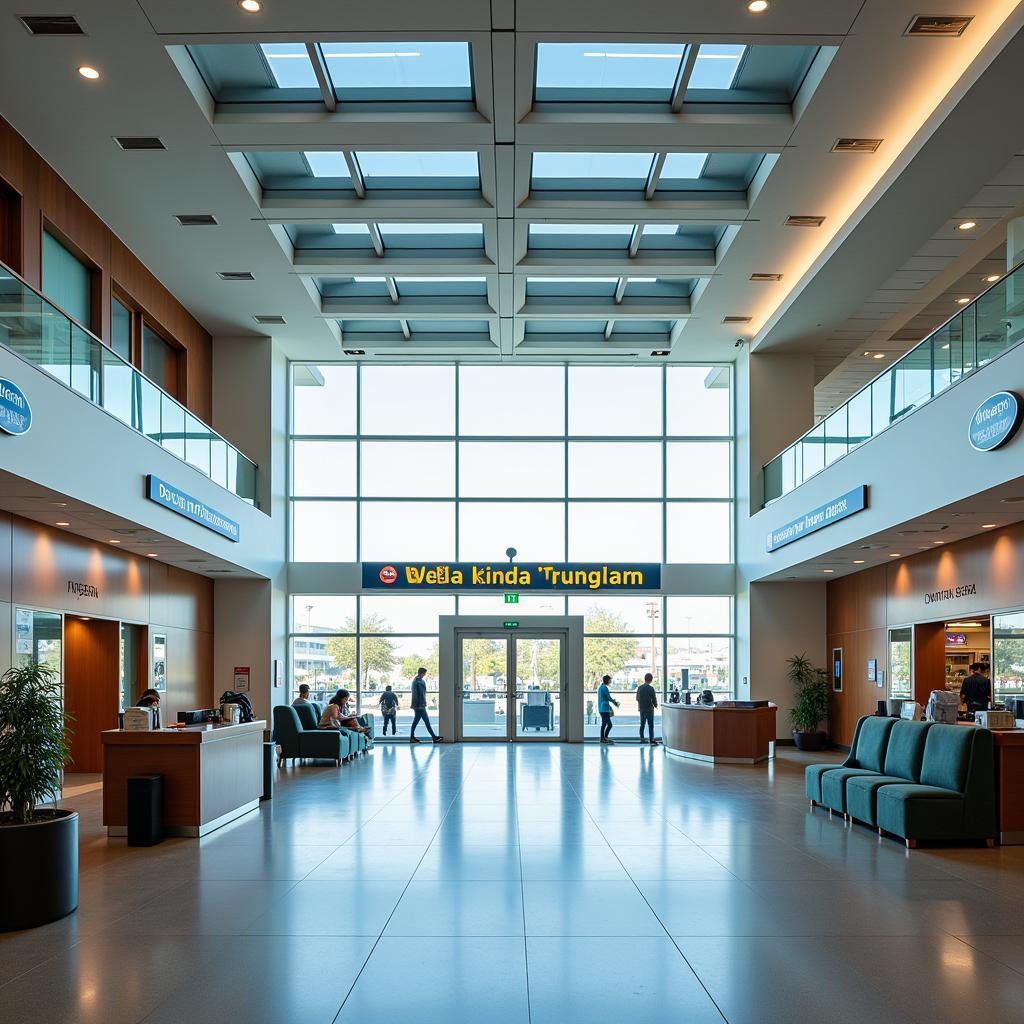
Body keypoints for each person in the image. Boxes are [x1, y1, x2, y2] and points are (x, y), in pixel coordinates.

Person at [410, 667, 442, 744]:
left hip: (418, 704)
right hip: (419, 705)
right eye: (424, 673)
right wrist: (421, 704)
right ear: (422, 673)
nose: (425, 675)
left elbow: (419, 694)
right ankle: (434, 737)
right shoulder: (418, 682)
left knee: (416, 721)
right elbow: (419, 694)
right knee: (426, 721)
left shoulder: (416, 681)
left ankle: (412, 737)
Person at [636, 672, 659, 746]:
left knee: (642, 724)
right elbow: (654, 699)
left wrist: (639, 707)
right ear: (651, 680)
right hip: (649, 709)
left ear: (645, 679)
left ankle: (642, 739)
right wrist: (655, 705)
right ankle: (651, 739)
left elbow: (637, 698)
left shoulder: (640, 688)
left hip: (642, 709)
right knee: (650, 725)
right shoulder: (651, 688)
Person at [597, 674, 619, 744]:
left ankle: (602, 738)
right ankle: (605, 738)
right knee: (609, 724)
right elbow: (608, 697)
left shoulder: (600, 687)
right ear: (607, 680)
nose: (610, 682)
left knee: (604, 724)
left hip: (601, 708)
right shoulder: (605, 688)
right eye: (610, 680)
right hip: (605, 709)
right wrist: (615, 702)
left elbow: (605, 698)